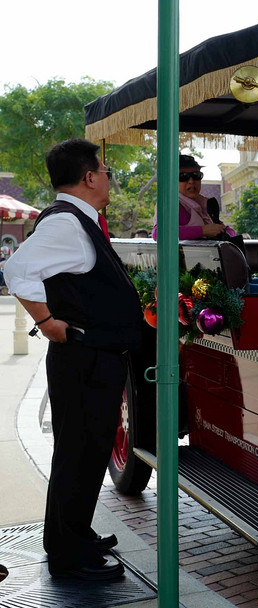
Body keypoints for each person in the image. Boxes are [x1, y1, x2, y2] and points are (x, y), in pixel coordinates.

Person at [4, 139, 142, 580]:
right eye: (105, 171)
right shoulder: (66, 224)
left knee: (86, 451)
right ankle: (68, 553)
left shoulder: (78, 221)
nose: (108, 179)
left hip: (92, 357)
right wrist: (46, 321)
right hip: (84, 357)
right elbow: (16, 270)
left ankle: (73, 535)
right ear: (88, 177)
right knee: (79, 453)